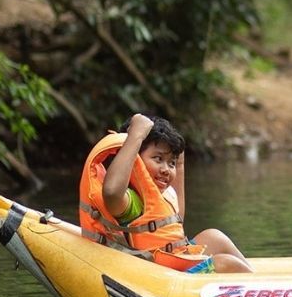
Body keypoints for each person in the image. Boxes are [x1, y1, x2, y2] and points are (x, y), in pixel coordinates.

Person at [78, 113, 252, 273]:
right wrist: (136, 136)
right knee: (224, 263)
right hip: (158, 275)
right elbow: (111, 192)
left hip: (173, 260)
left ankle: (261, 284)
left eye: (171, 163)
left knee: (214, 237)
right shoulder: (130, 201)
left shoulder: (162, 194)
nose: (166, 169)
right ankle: (263, 295)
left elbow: (177, 221)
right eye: (158, 159)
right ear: (134, 159)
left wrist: (179, 161)